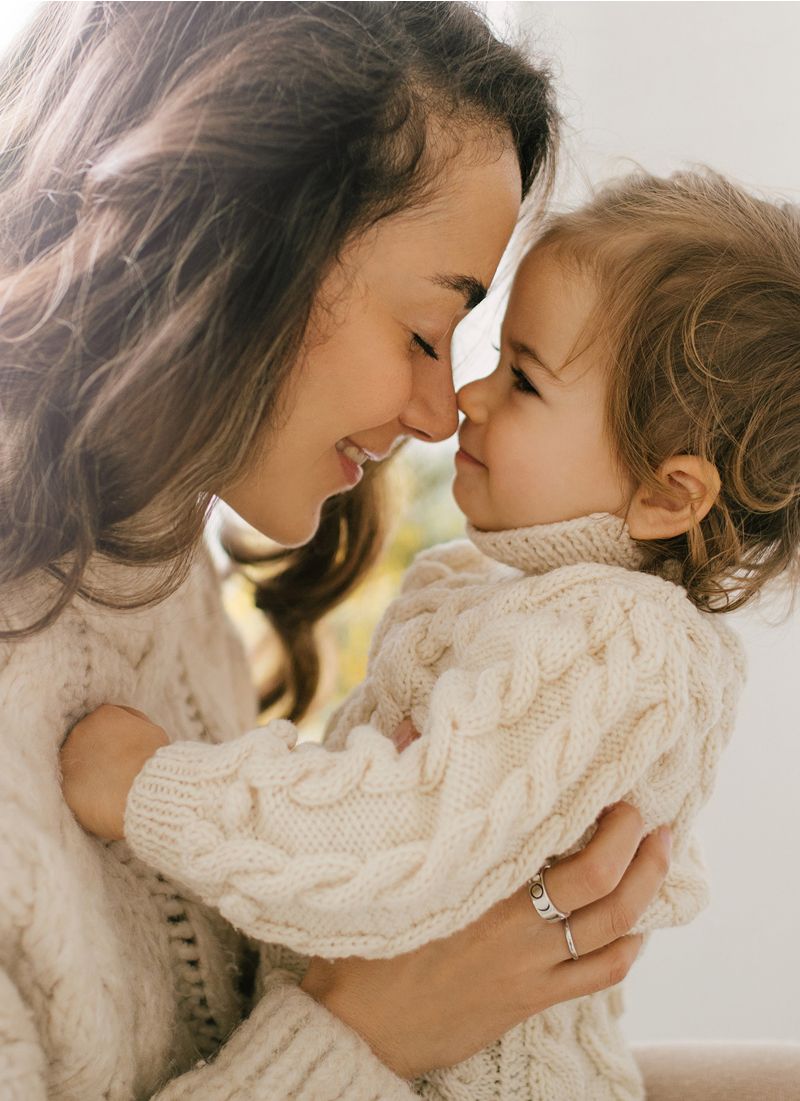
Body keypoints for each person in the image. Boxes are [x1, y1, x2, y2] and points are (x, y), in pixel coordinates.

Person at [0, 4, 673, 1100]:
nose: (437, 410)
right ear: (232, 242)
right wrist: (372, 1032)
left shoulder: (147, 575)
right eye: (424, 333)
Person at [60, 169, 800, 1099]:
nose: (467, 402)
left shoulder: (623, 637)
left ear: (667, 493)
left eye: (524, 379)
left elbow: (404, 842)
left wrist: (153, 788)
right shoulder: (519, 600)